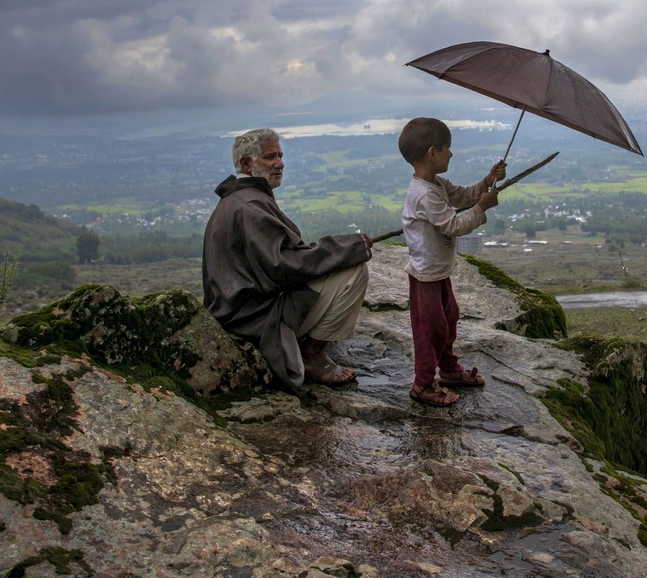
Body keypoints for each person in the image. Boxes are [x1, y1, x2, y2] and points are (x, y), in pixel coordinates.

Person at [202, 128, 372, 393]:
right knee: (354, 272)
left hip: (242, 310)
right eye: (270, 157)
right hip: (254, 318)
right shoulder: (249, 207)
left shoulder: (241, 199)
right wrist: (347, 248)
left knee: (339, 267)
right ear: (247, 163)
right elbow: (283, 266)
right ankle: (312, 354)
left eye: (280, 155)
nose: (280, 163)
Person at [398, 117, 506, 406]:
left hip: (438, 272)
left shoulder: (437, 184)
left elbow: (463, 195)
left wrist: (488, 180)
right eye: (448, 148)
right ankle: (422, 385)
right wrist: (482, 207)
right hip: (425, 277)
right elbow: (453, 225)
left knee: (449, 319)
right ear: (433, 153)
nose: (451, 153)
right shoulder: (423, 195)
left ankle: (447, 369)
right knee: (430, 329)